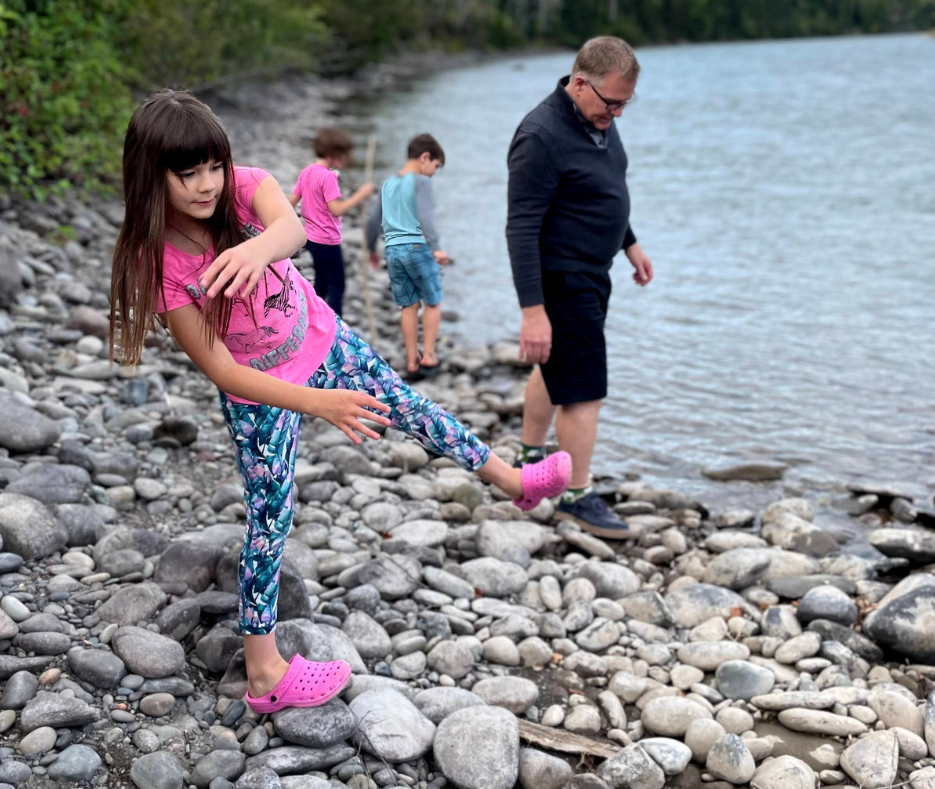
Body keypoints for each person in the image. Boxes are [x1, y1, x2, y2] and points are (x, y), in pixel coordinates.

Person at [110, 91, 571, 714]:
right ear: (149, 175)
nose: (206, 185)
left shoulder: (244, 188)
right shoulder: (158, 259)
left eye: (212, 167)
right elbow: (220, 368)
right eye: (186, 174)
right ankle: (263, 671)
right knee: (271, 515)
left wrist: (252, 248)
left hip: (322, 336)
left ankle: (512, 478)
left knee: (411, 407)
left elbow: (294, 228)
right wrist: (317, 403)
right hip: (261, 390)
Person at [506, 37, 654, 540]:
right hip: (562, 277)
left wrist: (629, 243)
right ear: (579, 83)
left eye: (624, 105)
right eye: (611, 102)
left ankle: (529, 461)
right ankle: (576, 496)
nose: (616, 113)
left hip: (596, 271)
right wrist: (533, 311)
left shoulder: (600, 123)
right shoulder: (541, 135)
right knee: (585, 390)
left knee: (557, 368)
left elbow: (608, 189)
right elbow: (521, 227)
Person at [365, 133, 448, 380]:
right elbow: (425, 216)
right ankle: (429, 356)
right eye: (435, 166)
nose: (433, 173)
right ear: (425, 158)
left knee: (408, 305)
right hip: (417, 248)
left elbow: (372, 221)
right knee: (433, 301)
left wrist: (371, 248)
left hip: (393, 251)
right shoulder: (421, 182)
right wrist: (435, 247)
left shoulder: (388, 184)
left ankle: (411, 360)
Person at [288, 129, 373, 318]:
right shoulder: (329, 177)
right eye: (344, 155)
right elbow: (337, 209)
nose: (346, 159)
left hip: (311, 238)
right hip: (328, 240)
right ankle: (335, 328)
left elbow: (290, 203)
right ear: (333, 155)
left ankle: (315, 319)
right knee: (337, 285)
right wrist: (361, 194)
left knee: (321, 282)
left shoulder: (308, 171)